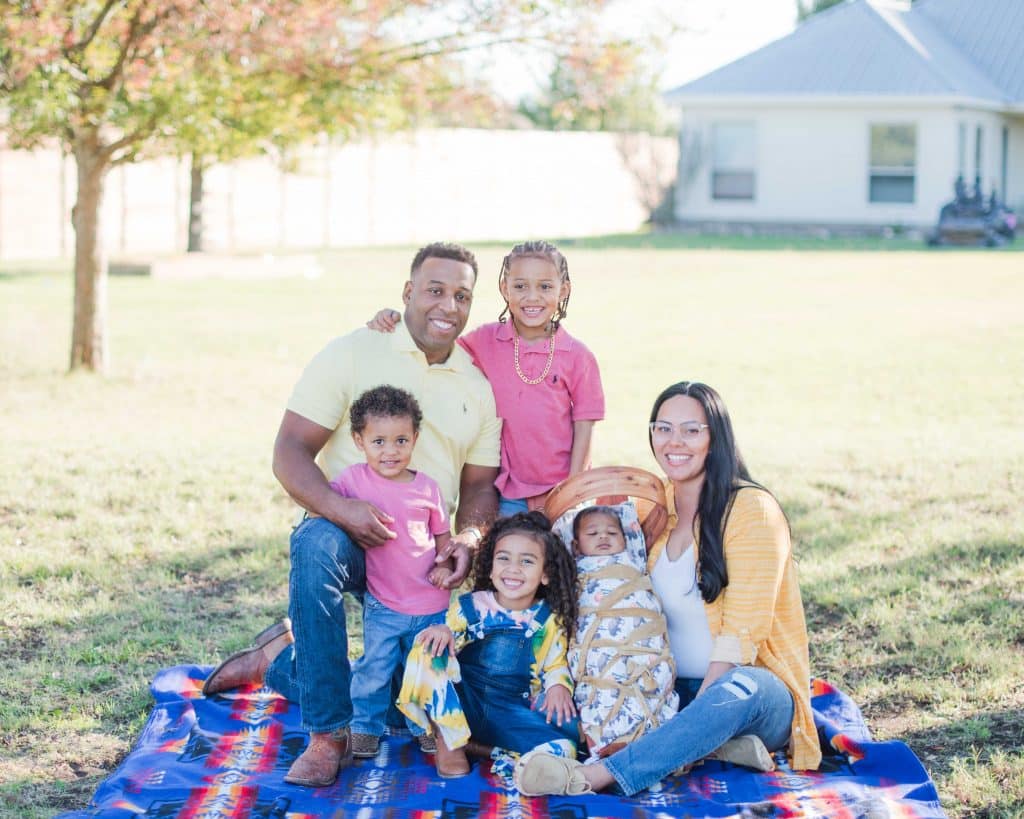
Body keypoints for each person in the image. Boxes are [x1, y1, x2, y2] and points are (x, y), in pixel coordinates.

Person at [201, 242, 502, 788]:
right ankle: (326, 736)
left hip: (420, 565)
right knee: (315, 541)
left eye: (462, 295)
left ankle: (278, 663)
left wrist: (468, 538)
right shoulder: (353, 352)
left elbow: (481, 486)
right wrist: (342, 509)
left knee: (400, 708)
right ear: (407, 292)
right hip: (348, 539)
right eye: (435, 290)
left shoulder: (475, 387)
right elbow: (290, 449)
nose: (448, 305)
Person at [515, 381, 822, 796]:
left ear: (716, 438)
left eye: (692, 430)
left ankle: (595, 776)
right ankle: (708, 748)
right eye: (663, 428)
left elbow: (741, 636)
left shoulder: (751, 510)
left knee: (736, 692)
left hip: (748, 692)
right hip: (668, 689)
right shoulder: (652, 506)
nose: (675, 442)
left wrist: (697, 719)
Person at [368, 240, 604, 517]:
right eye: (520, 286)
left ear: (563, 290)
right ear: (504, 288)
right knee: (508, 557)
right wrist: (396, 318)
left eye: (545, 287)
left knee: (564, 558)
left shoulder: (579, 357)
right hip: (508, 493)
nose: (532, 297)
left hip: (563, 490)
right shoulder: (485, 341)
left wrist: (572, 493)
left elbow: (585, 430)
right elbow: (437, 342)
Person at [396, 512, 580, 779]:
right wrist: (443, 630)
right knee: (428, 644)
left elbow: (554, 662)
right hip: (462, 701)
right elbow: (451, 642)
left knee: (567, 749)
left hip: (510, 710)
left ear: (546, 575)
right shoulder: (473, 605)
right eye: (503, 558)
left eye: (527, 561)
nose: (513, 568)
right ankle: (449, 740)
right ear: (491, 567)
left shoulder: (547, 619)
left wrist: (558, 686)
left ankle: (484, 749)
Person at [326, 385, 454, 758]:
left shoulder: (427, 488)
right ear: (358, 440)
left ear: (415, 438)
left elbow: (443, 540)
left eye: (401, 440)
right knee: (374, 670)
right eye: (378, 441)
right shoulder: (353, 481)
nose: (390, 451)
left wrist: (445, 566)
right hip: (384, 604)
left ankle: (424, 726)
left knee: (427, 672)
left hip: (431, 604)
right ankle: (365, 728)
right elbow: (326, 503)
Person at [564, 505, 678, 762]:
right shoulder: (575, 568)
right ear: (576, 545)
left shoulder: (632, 560)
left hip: (640, 643)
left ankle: (649, 739)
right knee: (603, 688)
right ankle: (606, 747)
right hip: (601, 645)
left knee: (648, 680)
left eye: (612, 533)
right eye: (592, 534)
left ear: (625, 539)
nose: (603, 537)